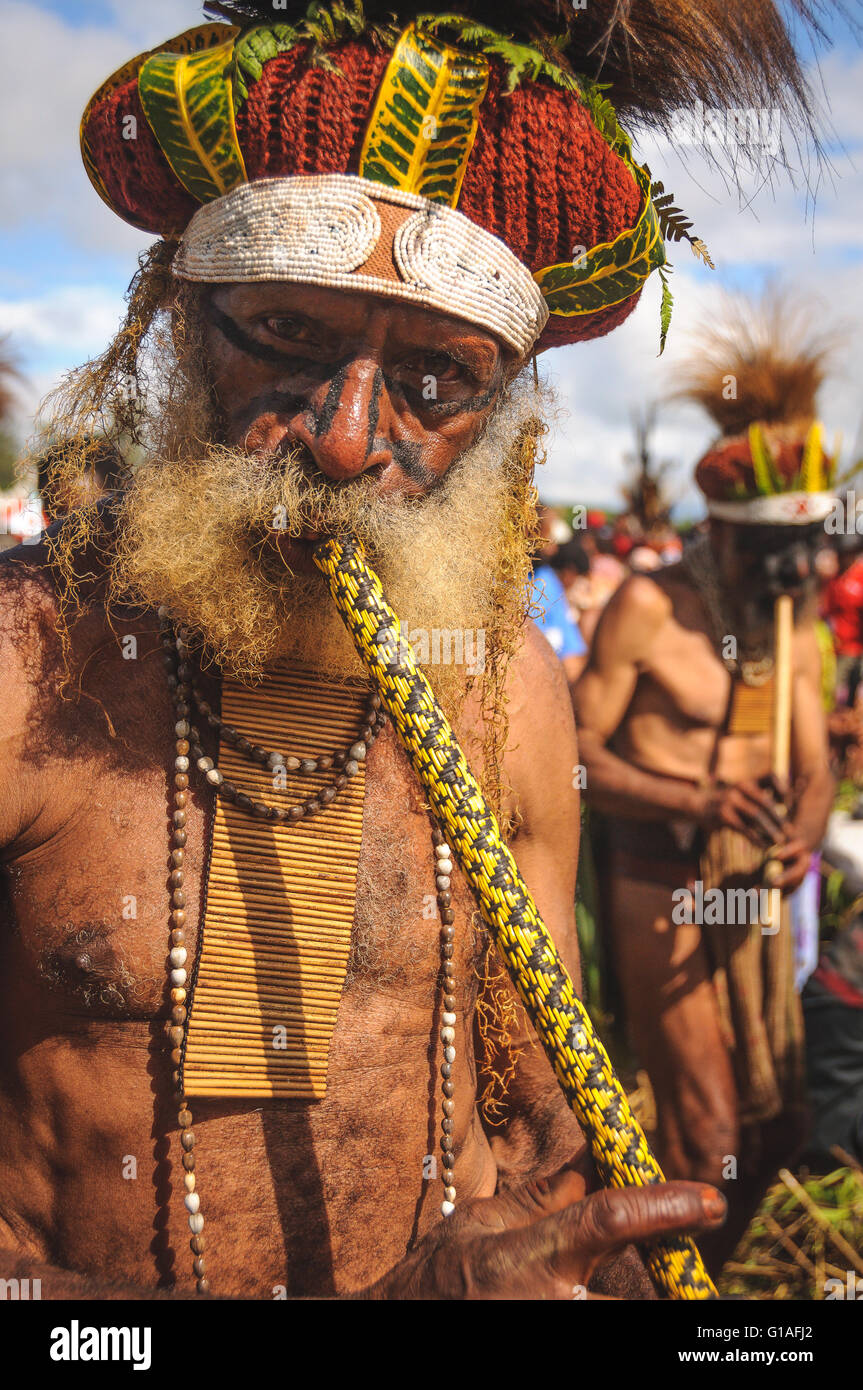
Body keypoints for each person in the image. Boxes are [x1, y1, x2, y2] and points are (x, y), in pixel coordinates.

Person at [0, 1, 829, 1299]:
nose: (344, 440)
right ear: (174, 313)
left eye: (438, 379)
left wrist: (599, 1241)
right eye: (283, 334)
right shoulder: (22, 669)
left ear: (504, 411)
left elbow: (540, 1096)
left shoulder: (504, 694)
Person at [574, 294, 837, 1267]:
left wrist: (801, 832)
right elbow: (574, 759)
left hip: (758, 885)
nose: (796, 572)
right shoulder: (648, 605)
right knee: (708, 1133)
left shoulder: (793, 619)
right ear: (721, 531)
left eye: (806, 553)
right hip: (660, 878)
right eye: (773, 553)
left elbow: (811, 768)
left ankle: (699, 1281)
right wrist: (694, 802)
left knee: (776, 1127)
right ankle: (672, 1295)